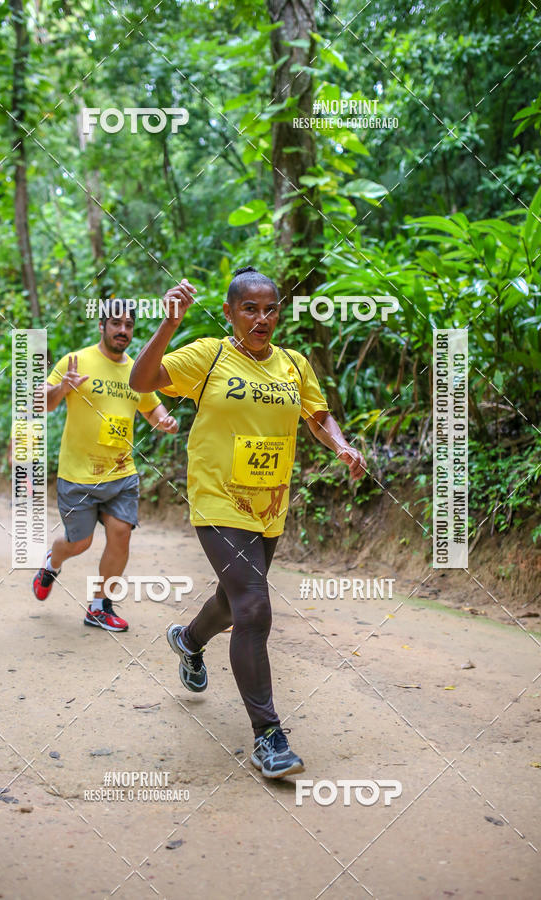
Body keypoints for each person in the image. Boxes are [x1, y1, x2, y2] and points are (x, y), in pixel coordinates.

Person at [129, 267, 366, 778]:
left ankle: (189, 640)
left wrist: (342, 445)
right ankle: (268, 737)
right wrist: (169, 323)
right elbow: (142, 382)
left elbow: (318, 416)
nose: (262, 318)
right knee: (254, 608)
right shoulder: (209, 356)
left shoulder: (294, 364)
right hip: (218, 498)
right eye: (250, 309)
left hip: (269, 504)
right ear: (230, 313)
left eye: (270, 308)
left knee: (232, 599)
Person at [33, 301, 178, 632]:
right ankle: (52, 563)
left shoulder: (137, 370)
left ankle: (99, 606)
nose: (122, 330)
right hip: (78, 475)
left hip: (121, 474)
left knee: (121, 534)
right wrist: (62, 388)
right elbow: (41, 403)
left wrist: (164, 420)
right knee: (79, 543)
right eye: (116, 323)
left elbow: (151, 408)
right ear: (102, 326)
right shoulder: (76, 361)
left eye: (128, 325)